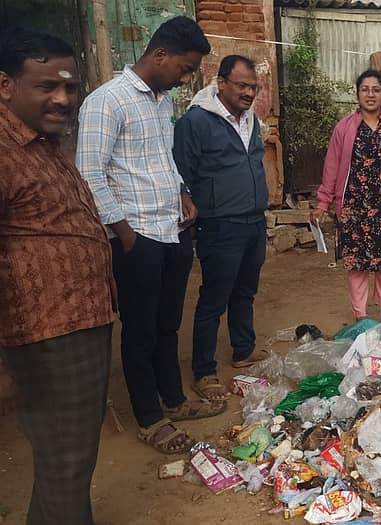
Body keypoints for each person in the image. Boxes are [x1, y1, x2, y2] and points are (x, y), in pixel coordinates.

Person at [77, 16, 223, 454]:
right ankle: (149, 417)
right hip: (136, 236)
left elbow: (163, 157)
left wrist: (183, 193)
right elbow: (89, 174)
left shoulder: (161, 101)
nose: (185, 78)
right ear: (160, 54)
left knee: (166, 324)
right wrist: (123, 234)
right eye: (184, 68)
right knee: (139, 330)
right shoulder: (107, 102)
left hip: (172, 230)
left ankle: (174, 401)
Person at [0, 28, 115, 525]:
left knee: (65, 462)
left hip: (77, 324)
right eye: (47, 86)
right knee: (66, 463)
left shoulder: (41, 143)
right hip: (46, 335)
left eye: (70, 88)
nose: (63, 98)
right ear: (6, 85)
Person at [173, 55, 270, 402]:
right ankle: (204, 370)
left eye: (253, 87)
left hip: (253, 221)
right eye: (242, 85)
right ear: (222, 82)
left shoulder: (251, 120)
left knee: (245, 291)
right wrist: (187, 200)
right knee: (214, 298)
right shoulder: (196, 122)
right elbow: (181, 170)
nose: (248, 92)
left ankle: (243, 349)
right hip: (220, 224)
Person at [311, 69, 381, 320]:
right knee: (356, 264)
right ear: (357, 93)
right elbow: (331, 166)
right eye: (365, 89)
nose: (370, 94)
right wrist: (323, 201)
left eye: (376, 90)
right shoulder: (345, 128)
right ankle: (360, 315)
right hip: (353, 205)